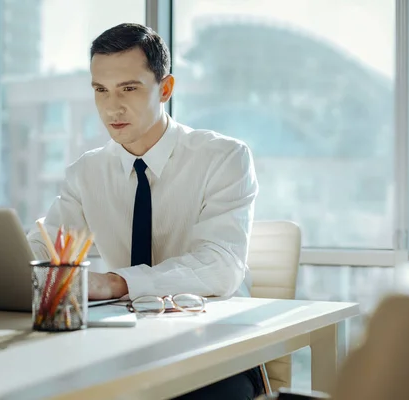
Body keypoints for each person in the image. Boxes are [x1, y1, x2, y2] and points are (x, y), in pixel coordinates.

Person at [28, 23, 262, 399]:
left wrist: (117, 282)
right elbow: (48, 250)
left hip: (213, 348)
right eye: (100, 90)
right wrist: (10, 266)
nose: (111, 106)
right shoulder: (85, 172)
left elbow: (222, 266)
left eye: (129, 89)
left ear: (165, 89)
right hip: (119, 345)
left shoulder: (223, 158)